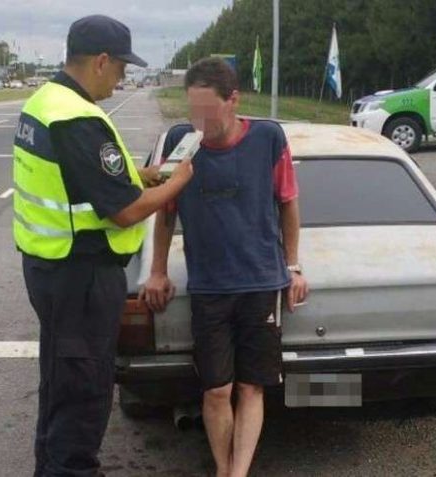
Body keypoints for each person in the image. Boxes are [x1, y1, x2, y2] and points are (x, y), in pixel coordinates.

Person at [13, 14, 193, 477]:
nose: (121, 79)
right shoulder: (78, 119)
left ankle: (50, 467)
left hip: (49, 267)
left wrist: (138, 175)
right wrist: (178, 182)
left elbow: (79, 180)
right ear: (100, 61)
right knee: (85, 391)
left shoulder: (44, 102)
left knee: (59, 384)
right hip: (82, 277)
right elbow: (126, 211)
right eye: (121, 69)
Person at [141, 57, 309, 477]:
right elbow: (165, 210)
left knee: (251, 386)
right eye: (192, 109)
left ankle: (237, 472)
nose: (199, 120)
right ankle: (222, 467)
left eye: (208, 110)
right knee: (217, 389)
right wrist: (157, 270)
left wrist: (293, 265)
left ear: (234, 100)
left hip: (260, 283)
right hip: (209, 288)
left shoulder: (268, 138)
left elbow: (288, 203)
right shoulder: (182, 140)